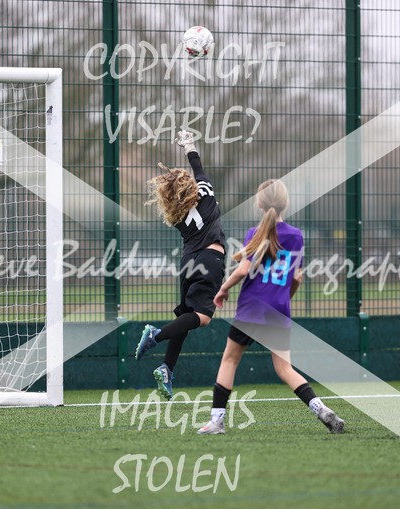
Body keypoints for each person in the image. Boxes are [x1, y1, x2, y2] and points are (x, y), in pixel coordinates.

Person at [197, 179, 345, 435]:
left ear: (259, 203)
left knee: (230, 360)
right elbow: (296, 278)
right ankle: (320, 408)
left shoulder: (254, 233)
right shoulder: (297, 236)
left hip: (251, 308)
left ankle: (216, 422)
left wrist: (223, 289)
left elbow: (244, 269)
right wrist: (284, 298)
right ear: (286, 203)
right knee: (285, 368)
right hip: (278, 310)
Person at [134, 131, 226, 401]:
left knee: (185, 316)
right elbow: (198, 165)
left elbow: (190, 177)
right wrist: (189, 145)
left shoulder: (175, 213)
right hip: (210, 259)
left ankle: (167, 368)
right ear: (190, 185)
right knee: (204, 317)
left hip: (188, 263)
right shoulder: (206, 192)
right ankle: (156, 334)